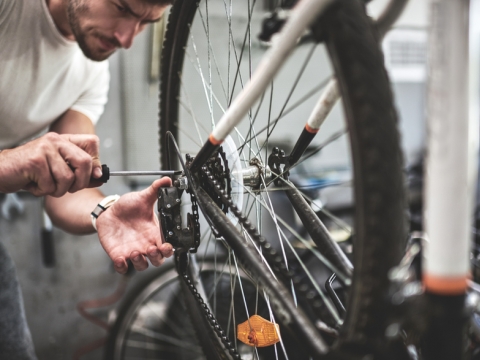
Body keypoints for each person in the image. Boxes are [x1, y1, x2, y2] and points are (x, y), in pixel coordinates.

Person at [0, 0, 174, 358]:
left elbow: (70, 190)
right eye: (122, 8)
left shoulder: (91, 73)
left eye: (146, 22)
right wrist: (7, 163)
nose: (127, 39)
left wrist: (105, 209)